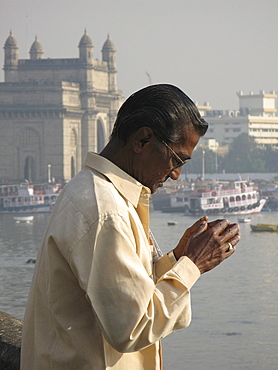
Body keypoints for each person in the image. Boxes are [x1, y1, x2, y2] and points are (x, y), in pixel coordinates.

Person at [21, 84, 240, 369]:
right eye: (176, 160)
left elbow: (119, 290)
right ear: (143, 140)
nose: (175, 175)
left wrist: (177, 259)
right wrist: (192, 266)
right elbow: (132, 326)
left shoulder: (92, 191)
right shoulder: (106, 210)